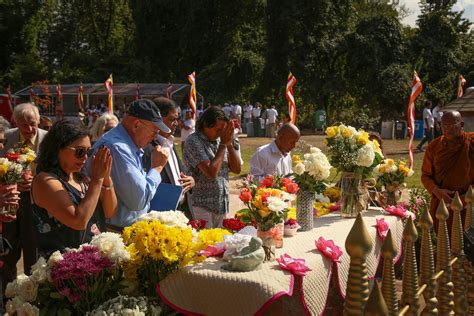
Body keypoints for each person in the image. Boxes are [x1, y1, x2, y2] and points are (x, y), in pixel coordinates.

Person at [31, 120, 117, 258]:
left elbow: (110, 211)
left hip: (92, 263)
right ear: (58, 148)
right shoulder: (45, 181)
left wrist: (106, 178)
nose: (85, 157)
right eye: (79, 151)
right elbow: (78, 221)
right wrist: (97, 179)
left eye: (88, 151)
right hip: (63, 268)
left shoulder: (83, 179)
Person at [85, 99, 169, 229]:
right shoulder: (118, 148)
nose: (155, 138)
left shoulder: (125, 146)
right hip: (116, 233)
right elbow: (138, 201)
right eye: (154, 132)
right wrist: (157, 168)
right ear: (136, 125)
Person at [0, 103, 48, 283]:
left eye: (33, 123)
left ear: (39, 121)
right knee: (8, 247)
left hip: (37, 202)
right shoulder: (6, 137)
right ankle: (7, 293)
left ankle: (32, 289)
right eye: (23, 125)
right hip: (9, 201)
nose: (29, 129)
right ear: (15, 123)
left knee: (33, 247)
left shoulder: (49, 139)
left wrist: (34, 181)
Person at [183, 106, 241, 228]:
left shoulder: (221, 141)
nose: (220, 133)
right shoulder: (193, 141)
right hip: (201, 205)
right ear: (205, 125)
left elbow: (236, 170)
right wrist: (224, 144)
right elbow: (211, 172)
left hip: (221, 204)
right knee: (205, 244)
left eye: (223, 130)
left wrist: (229, 145)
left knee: (220, 244)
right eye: (218, 129)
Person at [142, 98, 195, 217]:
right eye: (172, 119)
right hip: (160, 216)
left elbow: (177, 174)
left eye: (177, 119)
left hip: (180, 212)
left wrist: (190, 181)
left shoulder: (169, 142)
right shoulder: (147, 148)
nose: (176, 123)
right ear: (157, 119)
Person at [421, 111, 472, 233]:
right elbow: (426, 176)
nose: (448, 129)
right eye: (444, 126)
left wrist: (468, 197)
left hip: (469, 205)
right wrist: (436, 191)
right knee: (444, 245)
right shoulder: (434, 147)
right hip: (443, 205)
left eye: (452, 125)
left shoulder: (471, 143)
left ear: (461, 124)